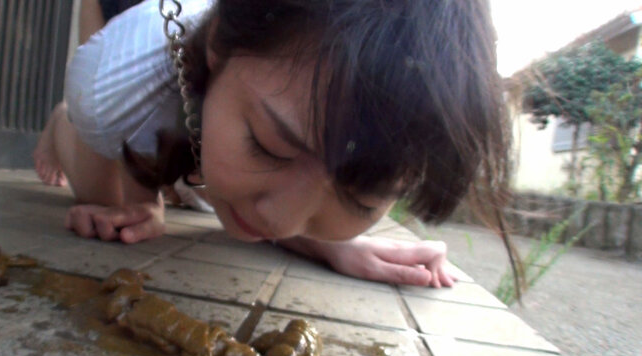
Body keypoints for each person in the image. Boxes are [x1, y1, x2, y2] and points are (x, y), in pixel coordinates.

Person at [34, 0, 520, 290]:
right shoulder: (112, 85)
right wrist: (143, 194)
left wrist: (329, 245)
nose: (281, 222)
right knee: (108, 201)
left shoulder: (263, 106)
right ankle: (61, 124)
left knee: (217, 180)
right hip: (129, 89)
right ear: (219, 47)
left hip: (209, 120)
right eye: (271, 146)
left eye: (362, 197)